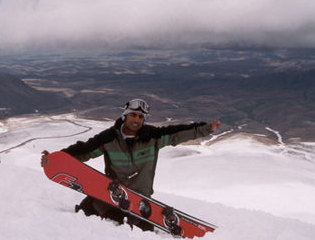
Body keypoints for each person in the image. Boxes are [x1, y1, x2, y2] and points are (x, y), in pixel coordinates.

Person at [41, 99, 221, 231]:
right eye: (133, 115)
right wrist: (56, 159)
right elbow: (84, 150)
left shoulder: (152, 137)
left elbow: (178, 133)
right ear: (125, 116)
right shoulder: (108, 138)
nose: (136, 119)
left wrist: (207, 129)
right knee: (84, 217)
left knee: (142, 234)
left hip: (141, 198)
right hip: (111, 196)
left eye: (141, 117)